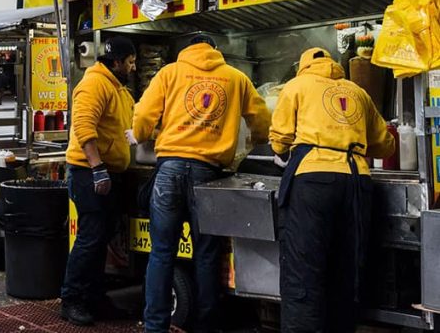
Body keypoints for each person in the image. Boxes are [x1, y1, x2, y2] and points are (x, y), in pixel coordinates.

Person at [132, 35, 271, 333]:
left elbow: (142, 117)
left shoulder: (169, 73)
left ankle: (155, 326)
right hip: (209, 175)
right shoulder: (236, 78)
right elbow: (262, 121)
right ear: (215, 51)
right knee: (207, 253)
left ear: (186, 50)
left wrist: (143, 133)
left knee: (162, 252)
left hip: (168, 171)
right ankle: (207, 326)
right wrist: (256, 141)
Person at [269, 47, 395, 333]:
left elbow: (280, 138)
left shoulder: (297, 86)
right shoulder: (357, 91)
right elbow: (385, 144)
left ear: (303, 67)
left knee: (304, 268)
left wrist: (282, 151)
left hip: (314, 180)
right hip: (357, 181)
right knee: (346, 270)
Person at [60, 36, 137, 326]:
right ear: (116, 62)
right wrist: (97, 168)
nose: (132, 67)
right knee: (90, 239)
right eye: (129, 62)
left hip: (106, 173)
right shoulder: (95, 83)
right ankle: (72, 300)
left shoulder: (116, 88)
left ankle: (94, 299)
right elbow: (83, 126)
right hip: (88, 173)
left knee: (100, 240)